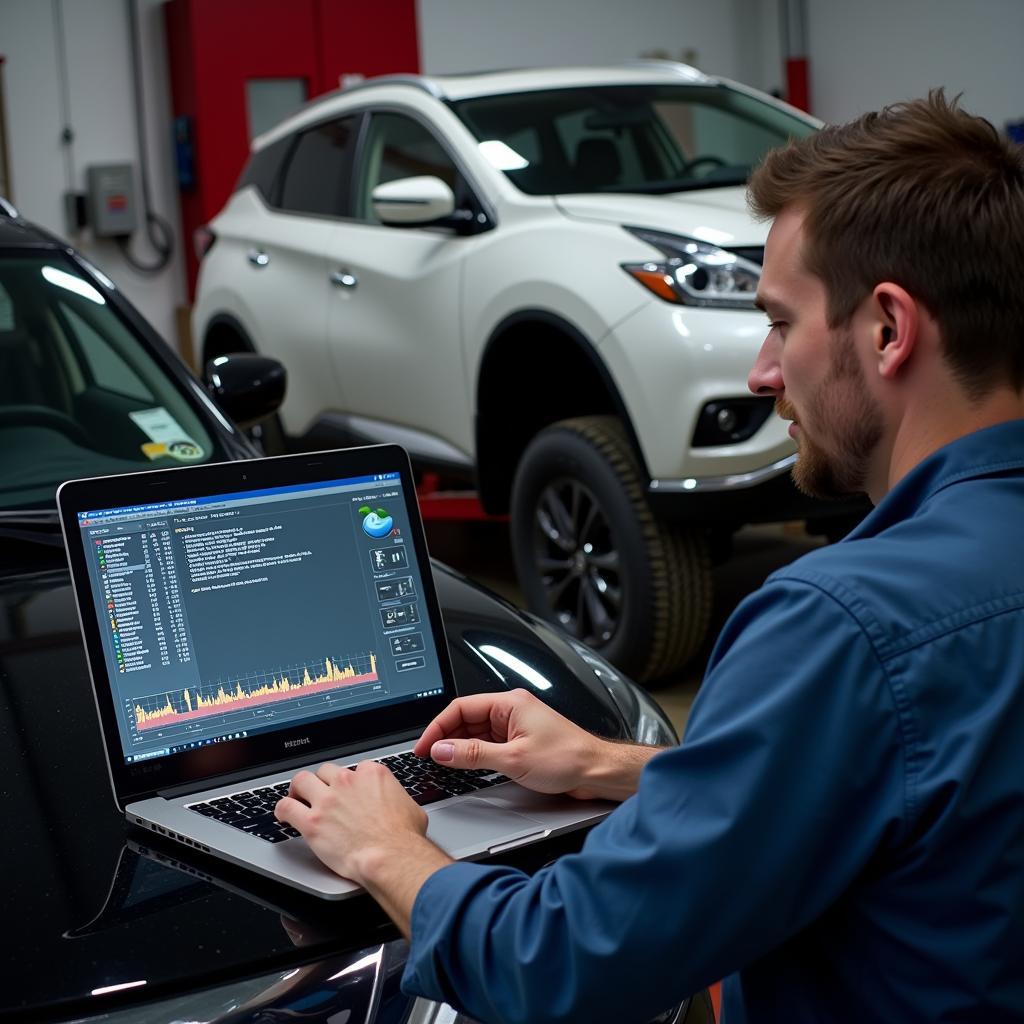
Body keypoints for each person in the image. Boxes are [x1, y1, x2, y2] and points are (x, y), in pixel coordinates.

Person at [276, 91, 1024, 1022]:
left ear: (887, 328)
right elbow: (911, 782)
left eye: (782, 323)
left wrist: (384, 845)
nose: (760, 371)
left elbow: (562, 967)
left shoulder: (843, 627)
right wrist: (614, 766)